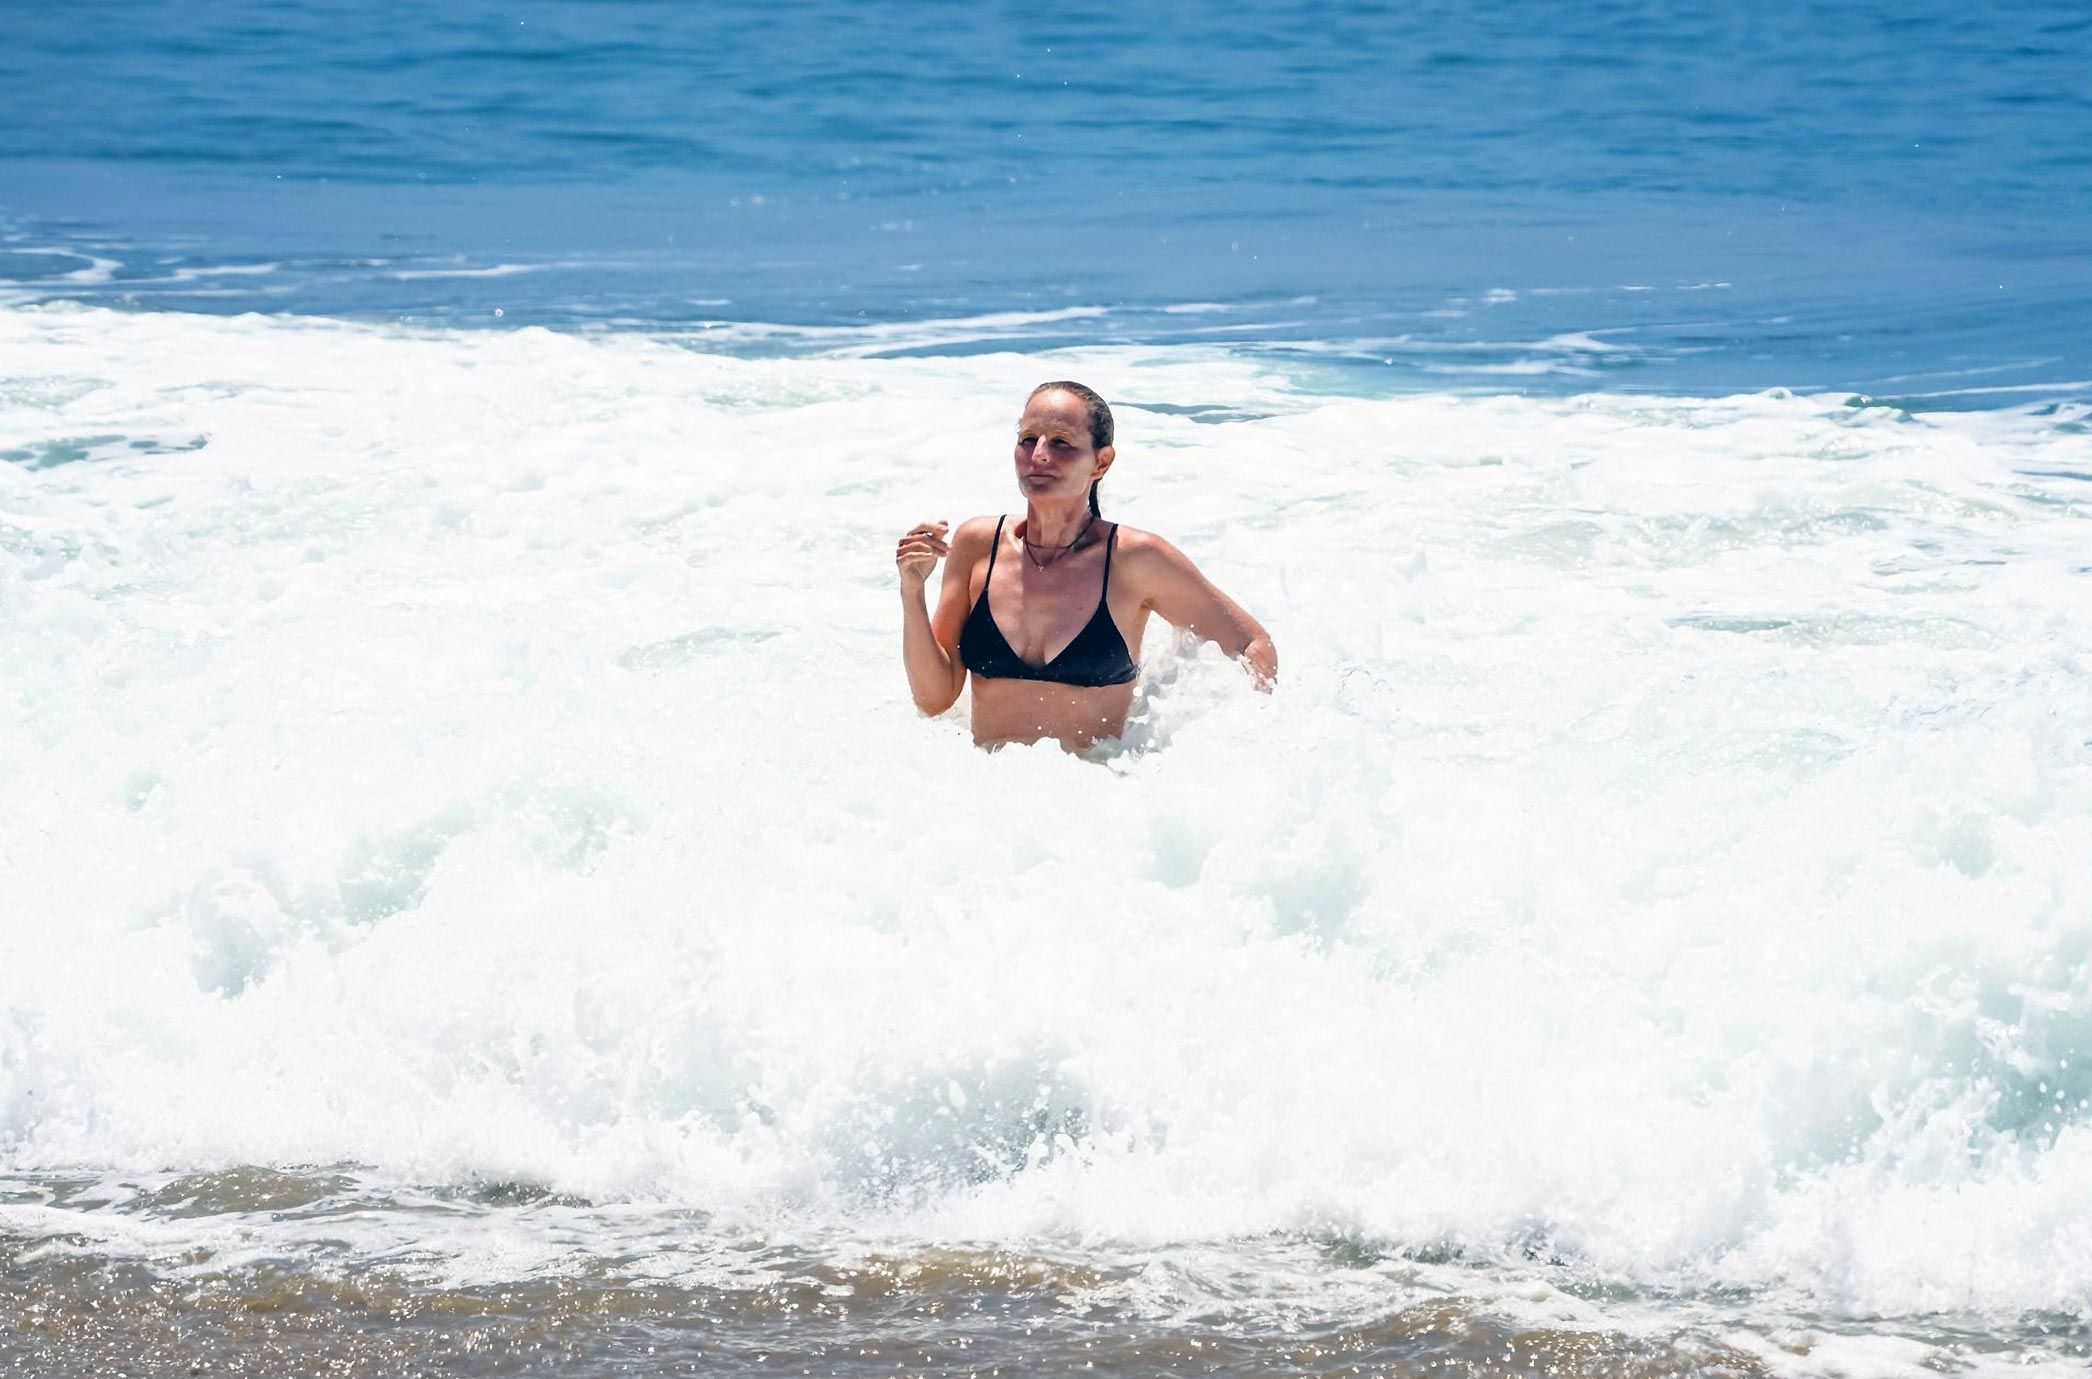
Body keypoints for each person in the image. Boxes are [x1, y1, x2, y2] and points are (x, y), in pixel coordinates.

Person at [896, 381, 1277, 751]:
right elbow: (934, 700)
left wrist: (1231, 750)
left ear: (1101, 462)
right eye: (1028, 439)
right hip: (984, 783)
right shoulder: (979, 544)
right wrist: (912, 591)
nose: (1039, 455)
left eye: (1060, 442)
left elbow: (1252, 645)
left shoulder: (1134, 559)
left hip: (1094, 788)